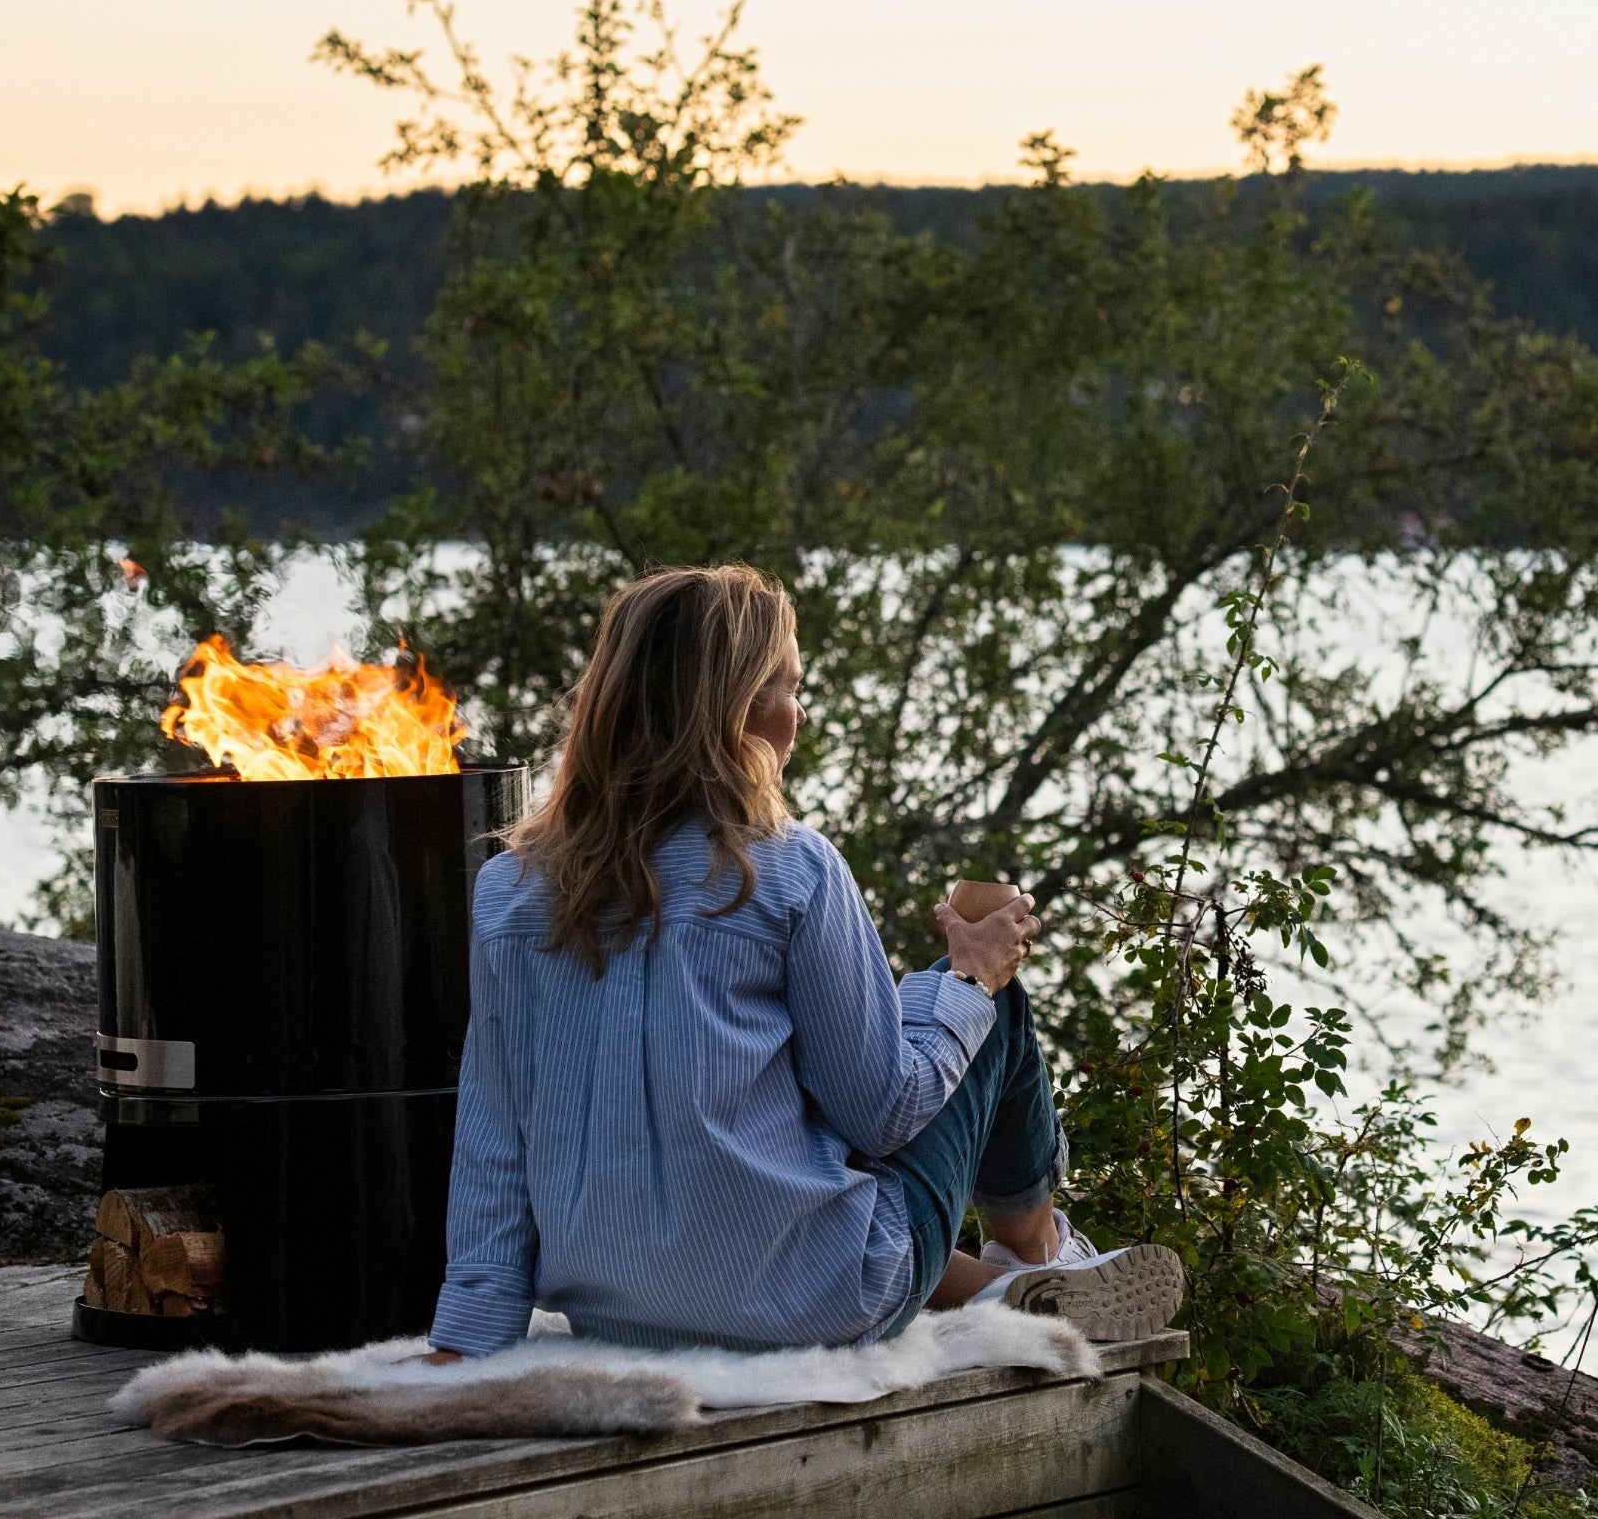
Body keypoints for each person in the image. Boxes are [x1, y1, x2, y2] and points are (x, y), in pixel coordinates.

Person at [422, 563, 1183, 1361]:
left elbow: (493, 1136)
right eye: (788, 688)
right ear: (732, 710)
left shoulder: (508, 888)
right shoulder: (789, 869)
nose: (801, 714)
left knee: (810, 1078)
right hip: (820, 1309)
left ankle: (993, 1280)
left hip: (615, 1313)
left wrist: (470, 1333)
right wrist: (969, 981)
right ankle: (1035, 1254)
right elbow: (882, 1113)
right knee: (991, 1009)